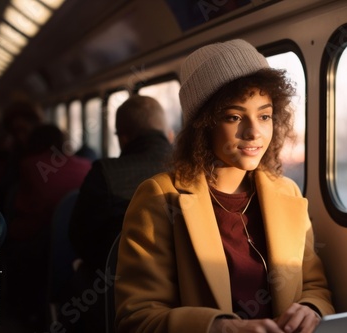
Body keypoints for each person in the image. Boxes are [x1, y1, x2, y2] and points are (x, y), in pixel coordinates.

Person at [114, 39, 334, 333]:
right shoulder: (160, 198)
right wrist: (220, 329)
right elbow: (137, 319)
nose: (254, 132)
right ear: (203, 125)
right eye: (234, 117)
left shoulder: (287, 193)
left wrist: (311, 309)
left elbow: (314, 286)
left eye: (265, 116)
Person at [68, 95, 173, 332]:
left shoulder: (105, 173)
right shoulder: (193, 169)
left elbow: (79, 238)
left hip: (115, 293)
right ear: (167, 131)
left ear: (123, 137)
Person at [3, 124, 91, 331]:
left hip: (41, 240)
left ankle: (22, 306)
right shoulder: (86, 165)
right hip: (79, 242)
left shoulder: (28, 165)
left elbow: (24, 207)